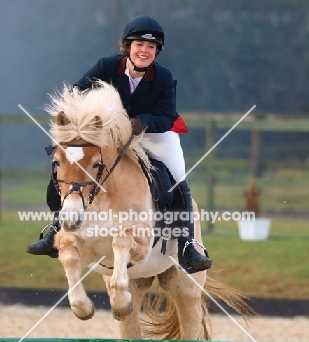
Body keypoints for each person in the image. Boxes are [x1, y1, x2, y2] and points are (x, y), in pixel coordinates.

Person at [27, 15, 212, 273]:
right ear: (127, 47)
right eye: (139, 45)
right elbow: (77, 92)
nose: (144, 51)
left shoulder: (163, 77)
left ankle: (186, 244)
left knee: (178, 176)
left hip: (152, 134)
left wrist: (141, 121)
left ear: (156, 52)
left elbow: (168, 116)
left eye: (151, 47)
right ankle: (56, 229)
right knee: (64, 167)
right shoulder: (106, 67)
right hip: (108, 136)